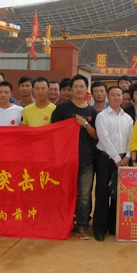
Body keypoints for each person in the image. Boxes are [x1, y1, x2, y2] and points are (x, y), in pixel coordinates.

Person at [51, 74, 99, 240]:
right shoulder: (62, 108)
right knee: (64, 192)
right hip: (65, 160)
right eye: (76, 86)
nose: (79, 90)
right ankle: (64, 222)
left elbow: (96, 135)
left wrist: (84, 124)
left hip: (86, 159)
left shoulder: (92, 111)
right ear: (71, 89)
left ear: (86, 90)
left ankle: (82, 225)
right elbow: (53, 132)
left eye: (82, 86)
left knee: (84, 195)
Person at [93, 86, 133, 241]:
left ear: (122, 97)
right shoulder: (102, 116)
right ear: (108, 97)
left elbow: (131, 140)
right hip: (106, 159)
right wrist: (117, 159)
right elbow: (104, 139)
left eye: (119, 95)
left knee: (119, 194)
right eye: (113, 95)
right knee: (102, 193)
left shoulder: (127, 118)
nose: (116, 97)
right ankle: (99, 229)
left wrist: (127, 156)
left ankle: (114, 226)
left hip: (124, 160)